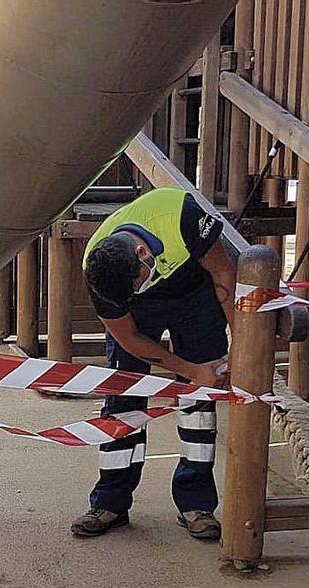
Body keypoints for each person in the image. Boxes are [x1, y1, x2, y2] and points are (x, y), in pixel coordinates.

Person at [71, 186, 235, 540]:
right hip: (139, 315)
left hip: (196, 296)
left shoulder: (180, 216)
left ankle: (196, 504)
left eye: (137, 283)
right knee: (123, 398)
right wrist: (191, 371)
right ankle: (110, 501)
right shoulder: (99, 269)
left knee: (199, 402)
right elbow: (128, 337)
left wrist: (239, 346)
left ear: (144, 254)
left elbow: (223, 275)